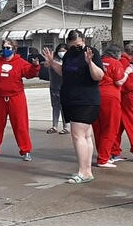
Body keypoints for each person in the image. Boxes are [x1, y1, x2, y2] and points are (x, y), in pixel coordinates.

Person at [42, 31, 104, 183]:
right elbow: (65, 73)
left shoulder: (91, 52)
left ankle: (83, 171)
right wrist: (52, 63)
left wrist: (90, 63)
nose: (75, 48)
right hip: (70, 98)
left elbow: (99, 76)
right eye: (72, 45)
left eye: (78, 45)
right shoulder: (69, 55)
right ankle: (87, 170)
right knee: (86, 135)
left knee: (78, 135)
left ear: (83, 40)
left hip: (86, 99)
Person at [0, 38, 40, 161]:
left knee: (20, 124)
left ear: (14, 49)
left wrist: (35, 66)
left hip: (16, 97)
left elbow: (29, 73)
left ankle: (25, 150)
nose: (6, 50)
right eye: (4, 48)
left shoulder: (20, 62)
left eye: (8, 48)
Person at [93, 43, 129, 169]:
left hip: (95, 95)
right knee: (110, 128)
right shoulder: (115, 63)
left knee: (98, 128)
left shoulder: (98, 62)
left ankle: (103, 154)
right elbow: (119, 81)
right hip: (110, 97)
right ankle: (103, 158)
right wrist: (127, 73)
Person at [46, 42, 68, 134]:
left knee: (64, 107)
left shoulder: (68, 60)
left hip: (65, 87)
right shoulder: (53, 59)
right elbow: (46, 65)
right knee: (55, 106)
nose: (61, 53)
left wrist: (52, 62)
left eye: (64, 51)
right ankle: (54, 126)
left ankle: (66, 126)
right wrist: (49, 61)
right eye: (60, 51)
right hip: (54, 87)